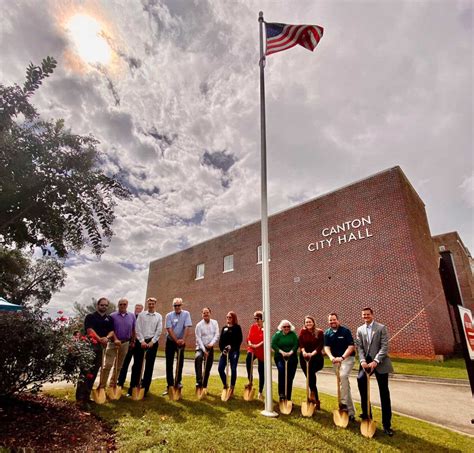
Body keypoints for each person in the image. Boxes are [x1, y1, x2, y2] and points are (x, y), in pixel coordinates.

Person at [356, 307, 394, 436]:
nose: (366, 316)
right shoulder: (360, 329)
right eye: (363, 315)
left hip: (380, 363)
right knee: (360, 380)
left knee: (384, 392)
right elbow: (359, 347)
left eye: (368, 314)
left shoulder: (381, 328)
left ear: (372, 315)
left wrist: (376, 361)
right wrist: (362, 361)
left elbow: (384, 347)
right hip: (366, 363)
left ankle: (387, 425)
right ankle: (367, 416)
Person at [75, 297, 115, 407]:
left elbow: (112, 331)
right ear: (97, 305)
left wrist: (107, 337)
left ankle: (87, 397)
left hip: (101, 348)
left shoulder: (109, 319)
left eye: (106, 305)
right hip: (90, 347)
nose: (104, 307)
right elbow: (90, 330)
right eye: (102, 305)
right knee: (85, 371)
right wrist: (100, 339)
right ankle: (79, 398)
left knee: (93, 372)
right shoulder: (90, 317)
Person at [323, 312, 356, 421]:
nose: (332, 322)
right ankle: (350, 413)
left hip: (347, 359)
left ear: (338, 320)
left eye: (334, 319)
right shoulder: (327, 333)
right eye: (330, 320)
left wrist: (342, 357)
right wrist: (331, 357)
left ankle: (343, 404)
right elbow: (326, 347)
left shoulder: (345, 331)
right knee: (344, 384)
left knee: (343, 376)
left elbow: (351, 347)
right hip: (335, 360)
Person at [100, 298, 136, 390]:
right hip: (113, 343)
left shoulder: (132, 316)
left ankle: (112, 385)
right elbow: (110, 329)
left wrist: (133, 341)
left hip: (125, 343)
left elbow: (133, 329)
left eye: (124, 304)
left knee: (119, 366)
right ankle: (102, 386)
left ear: (127, 305)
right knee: (107, 365)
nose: (122, 306)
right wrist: (115, 339)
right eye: (121, 304)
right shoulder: (112, 315)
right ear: (118, 305)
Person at [129, 297, 162, 397]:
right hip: (141, 342)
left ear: (155, 304)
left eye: (153, 304)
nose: (151, 305)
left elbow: (159, 330)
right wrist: (142, 341)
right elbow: (137, 328)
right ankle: (133, 387)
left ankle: (145, 389)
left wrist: (152, 341)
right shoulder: (141, 315)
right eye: (149, 303)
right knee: (137, 365)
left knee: (149, 366)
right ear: (147, 304)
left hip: (152, 342)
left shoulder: (159, 316)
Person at [164, 298, 192, 393]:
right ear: (173, 306)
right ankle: (170, 385)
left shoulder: (186, 314)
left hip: (181, 342)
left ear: (181, 305)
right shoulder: (169, 315)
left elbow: (187, 327)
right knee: (169, 363)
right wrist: (176, 340)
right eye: (175, 305)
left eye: (178, 305)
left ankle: (178, 382)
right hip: (171, 341)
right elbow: (169, 329)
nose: (177, 307)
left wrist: (183, 340)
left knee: (180, 362)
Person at [298, 315, 324, 409]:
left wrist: (313, 353)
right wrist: (304, 352)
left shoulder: (319, 332)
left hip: (316, 358)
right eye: (306, 322)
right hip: (304, 358)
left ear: (313, 322)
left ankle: (313, 396)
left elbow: (321, 345)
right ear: (304, 323)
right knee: (309, 378)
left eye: (310, 322)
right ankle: (315, 399)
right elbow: (300, 343)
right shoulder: (303, 331)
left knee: (311, 375)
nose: (308, 323)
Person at [271, 320, 298, 402]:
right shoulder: (277, 334)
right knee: (282, 372)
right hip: (280, 357)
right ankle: (281, 394)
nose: (286, 328)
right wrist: (281, 352)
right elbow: (273, 344)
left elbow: (296, 344)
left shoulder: (293, 335)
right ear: (281, 327)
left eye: (288, 327)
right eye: (284, 327)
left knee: (290, 378)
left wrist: (290, 352)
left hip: (292, 358)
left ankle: (288, 397)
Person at [117, 303, 143, 388]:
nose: (138, 309)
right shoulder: (130, 317)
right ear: (134, 308)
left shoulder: (143, 318)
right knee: (125, 363)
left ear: (142, 310)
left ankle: (136, 382)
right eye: (136, 308)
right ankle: (120, 381)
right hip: (130, 343)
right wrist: (132, 341)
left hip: (139, 343)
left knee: (137, 364)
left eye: (139, 308)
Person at [218, 311, 243, 397]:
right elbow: (220, 341)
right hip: (224, 352)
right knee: (220, 368)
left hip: (234, 351)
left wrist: (231, 347)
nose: (228, 319)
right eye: (227, 317)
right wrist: (223, 350)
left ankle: (232, 387)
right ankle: (225, 384)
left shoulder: (237, 328)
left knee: (233, 369)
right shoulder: (224, 328)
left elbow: (239, 340)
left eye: (230, 317)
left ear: (233, 318)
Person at [194, 307, 219, 390]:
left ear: (210, 313)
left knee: (208, 366)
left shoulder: (215, 323)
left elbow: (216, 335)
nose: (206, 314)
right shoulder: (199, 325)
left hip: (210, 347)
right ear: (202, 315)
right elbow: (198, 338)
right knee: (198, 357)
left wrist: (211, 344)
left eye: (207, 312)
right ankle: (199, 382)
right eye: (204, 313)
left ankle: (204, 386)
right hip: (200, 347)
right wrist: (204, 350)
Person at [246, 310, 265, 400]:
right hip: (252, 349)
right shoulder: (253, 327)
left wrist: (257, 345)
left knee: (261, 371)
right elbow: (249, 337)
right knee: (248, 359)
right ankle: (250, 381)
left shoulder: (265, 328)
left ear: (262, 319)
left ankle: (260, 392)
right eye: (255, 319)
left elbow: (265, 340)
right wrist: (250, 344)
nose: (256, 320)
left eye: (258, 319)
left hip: (261, 351)